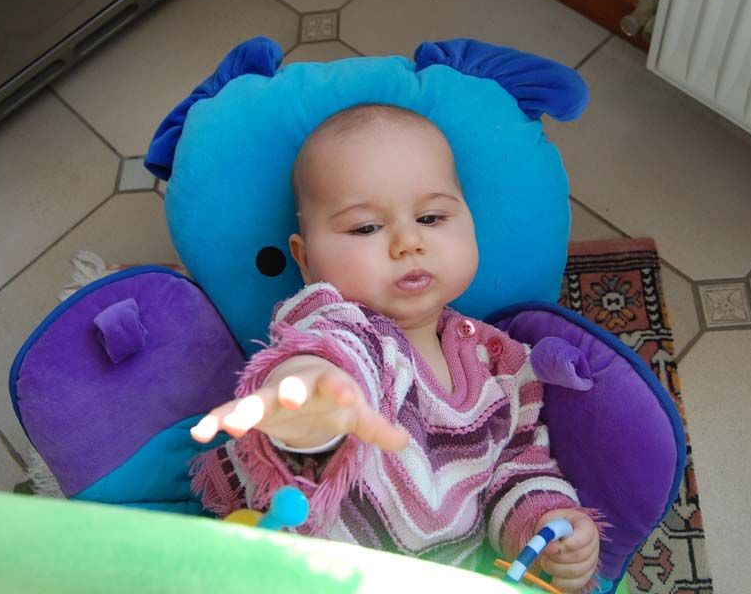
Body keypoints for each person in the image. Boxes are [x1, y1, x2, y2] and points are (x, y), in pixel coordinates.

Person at [189, 104, 600, 591]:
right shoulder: (340, 324)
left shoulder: (503, 364)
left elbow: (517, 465)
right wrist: (313, 394)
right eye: (366, 228)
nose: (408, 242)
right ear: (306, 259)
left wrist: (546, 522)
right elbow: (328, 355)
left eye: (431, 217)